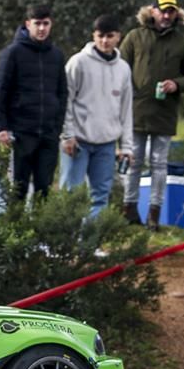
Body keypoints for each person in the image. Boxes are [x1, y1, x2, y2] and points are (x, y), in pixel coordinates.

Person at [118, 0, 184, 230]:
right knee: (133, 161)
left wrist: (177, 84)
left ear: (176, 14)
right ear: (152, 11)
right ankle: (129, 210)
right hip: (135, 111)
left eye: (171, 11)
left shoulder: (183, 43)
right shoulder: (135, 36)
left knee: (159, 163)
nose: (166, 15)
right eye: (163, 11)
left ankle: (154, 214)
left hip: (165, 111)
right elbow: (119, 67)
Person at [58, 14, 134, 218]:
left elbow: (126, 109)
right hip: (78, 141)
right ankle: (65, 237)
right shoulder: (78, 62)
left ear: (118, 36)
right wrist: (67, 135)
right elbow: (65, 100)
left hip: (106, 143)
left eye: (110, 36)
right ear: (94, 36)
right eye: (100, 36)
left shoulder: (123, 69)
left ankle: (91, 238)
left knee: (101, 196)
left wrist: (126, 146)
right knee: (70, 194)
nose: (105, 41)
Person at [0, 3, 68, 201]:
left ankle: (42, 222)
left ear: (51, 24)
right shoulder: (13, 53)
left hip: (48, 134)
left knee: (44, 188)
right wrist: (1, 127)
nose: (41, 28)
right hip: (20, 133)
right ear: (28, 24)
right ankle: (16, 221)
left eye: (45, 23)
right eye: (37, 23)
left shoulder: (57, 55)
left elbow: (62, 93)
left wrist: (57, 127)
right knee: (18, 189)